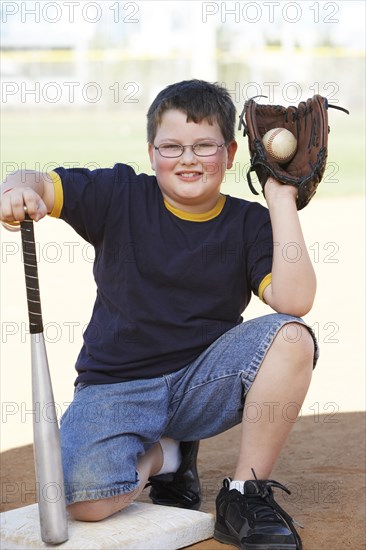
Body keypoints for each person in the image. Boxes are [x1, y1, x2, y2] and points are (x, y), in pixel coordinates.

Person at [1, 79, 318, 550]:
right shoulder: (120, 193)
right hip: (117, 384)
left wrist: (280, 198)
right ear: (151, 153)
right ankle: (167, 457)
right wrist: (16, 188)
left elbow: (294, 302)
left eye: (204, 146)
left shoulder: (249, 222)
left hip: (203, 384)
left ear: (230, 154)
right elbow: (36, 181)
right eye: (171, 147)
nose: (188, 159)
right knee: (84, 501)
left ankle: (243, 493)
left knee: (292, 336)